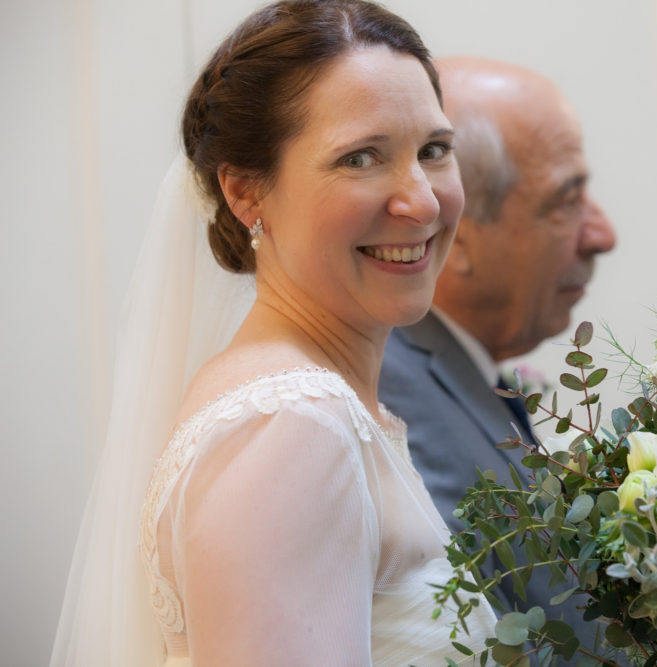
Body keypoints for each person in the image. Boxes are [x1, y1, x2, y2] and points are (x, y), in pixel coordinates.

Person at [50, 2, 494, 665]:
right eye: (361, 157)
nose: (423, 200)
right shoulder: (295, 426)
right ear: (246, 193)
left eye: (434, 150)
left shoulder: (298, 403)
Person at [379, 57, 616, 653]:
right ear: (455, 233)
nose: (602, 234)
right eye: (566, 198)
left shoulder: (459, 370)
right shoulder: (396, 396)